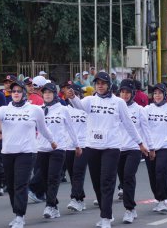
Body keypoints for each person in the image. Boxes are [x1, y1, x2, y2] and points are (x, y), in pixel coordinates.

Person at [67, 72, 148, 228]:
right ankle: (107, 213)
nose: (100, 85)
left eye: (103, 83)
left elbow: (128, 124)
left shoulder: (118, 103)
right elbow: (78, 106)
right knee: (97, 183)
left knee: (107, 182)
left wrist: (140, 143)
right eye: (97, 83)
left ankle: (105, 218)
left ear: (109, 85)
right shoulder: (90, 100)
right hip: (92, 147)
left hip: (112, 147)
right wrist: (72, 97)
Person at [0, 80, 55, 228]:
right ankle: (17, 212)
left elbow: (43, 129)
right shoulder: (5, 109)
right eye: (13, 91)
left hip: (27, 152)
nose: (15, 93)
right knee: (10, 186)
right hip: (8, 152)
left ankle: (20, 216)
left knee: (20, 184)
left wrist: (52, 141)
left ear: (24, 93)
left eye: (18, 91)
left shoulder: (35, 110)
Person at [38, 83, 81, 219]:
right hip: (42, 148)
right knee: (44, 179)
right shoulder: (38, 109)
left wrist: (77, 145)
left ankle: (49, 206)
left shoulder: (63, 110)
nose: (47, 95)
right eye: (45, 93)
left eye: (50, 92)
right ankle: (54, 205)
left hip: (59, 148)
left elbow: (70, 129)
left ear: (55, 94)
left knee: (53, 178)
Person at [118, 79, 153, 223]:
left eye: (128, 92)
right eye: (122, 92)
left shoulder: (139, 110)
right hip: (117, 148)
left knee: (128, 177)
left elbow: (146, 130)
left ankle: (129, 209)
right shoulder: (116, 107)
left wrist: (150, 148)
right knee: (122, 179)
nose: (125, 95)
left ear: (133, 94)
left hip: (134, 149)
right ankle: (129, 206)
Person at [145, 83, 167, 214]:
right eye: (155, 93)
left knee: (161, 171)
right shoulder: (146, 109)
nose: (157, 96)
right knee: (152, 174)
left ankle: (162, 200)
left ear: (165, 94)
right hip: (150, 147)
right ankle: (158, 199)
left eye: (160, 93)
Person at [65, 84, 89, 212]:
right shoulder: (65, 110)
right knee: (72, 173)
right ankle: (80, 199)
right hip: (69, 146)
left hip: (84, 145)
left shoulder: (85, 109)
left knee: (78, 172)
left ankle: (74, 198)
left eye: (76, 93)